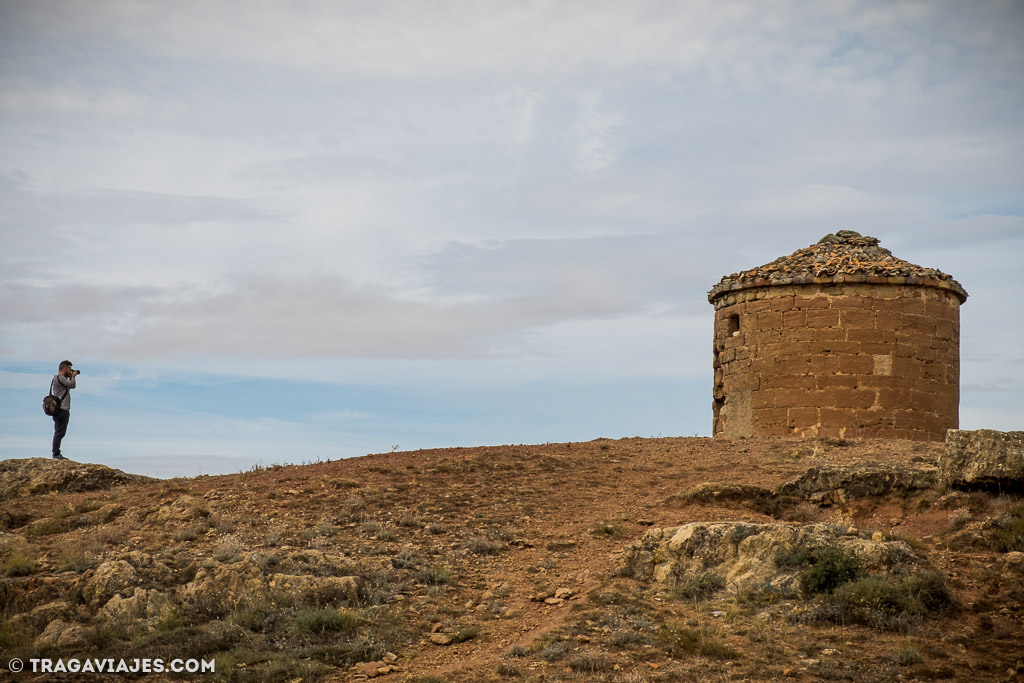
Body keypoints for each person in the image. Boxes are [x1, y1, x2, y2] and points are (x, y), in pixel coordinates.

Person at [50, 360, 79, 460]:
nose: (71, 371)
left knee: (59, 432)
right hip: (62, 409)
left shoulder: (57, 378)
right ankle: (56, 454)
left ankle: (56, 453)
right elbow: (72, 385)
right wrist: (73, 376)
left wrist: (71, 376)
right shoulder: (60, 378)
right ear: (65, 368)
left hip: (60, 409)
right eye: (70, 369)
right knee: (59, 432)